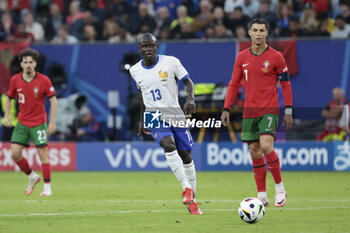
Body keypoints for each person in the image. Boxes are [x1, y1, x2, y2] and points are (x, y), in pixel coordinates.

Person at [221, 18, 293, 207]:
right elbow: (234, 84)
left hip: (269, 109)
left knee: (266, 145)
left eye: (262, 30)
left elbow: (286, 85)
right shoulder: (242, 57)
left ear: (267, 33)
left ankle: (280, 188)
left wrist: (289, 109)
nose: (259, 33)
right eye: (255, 30)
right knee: (254, 150)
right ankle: (262, 195)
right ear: (249, 32)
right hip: (249, 111)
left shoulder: (277, 57)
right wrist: (226, 107)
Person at [129, 33, 202, 215]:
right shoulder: (135, 70)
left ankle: (192, 201)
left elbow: (188, 82)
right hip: (153, 115)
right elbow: (142, 95)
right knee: (169, 145)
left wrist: (191, 99)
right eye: (144, 46)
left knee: (185, 155)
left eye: (151, 46)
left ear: (156, 46)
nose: (147, 49)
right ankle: (186, 188)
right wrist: (141, 119)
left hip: (174, 112)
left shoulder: (171, 62)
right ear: (139, 49)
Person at [4, 48, 57, 196]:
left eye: (31, 62)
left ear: (35, 64)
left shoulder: (44, 80)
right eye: (25, 62)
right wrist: (7, 116)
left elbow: (53, 101)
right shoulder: (15, 80)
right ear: (21, 64)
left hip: (39, 122)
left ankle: (47, 187)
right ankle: (32, 176)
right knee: (14, 153)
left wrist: (52, 122)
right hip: (22, 122)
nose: (28, 65)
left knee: (42, 153)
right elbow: (9, 98)